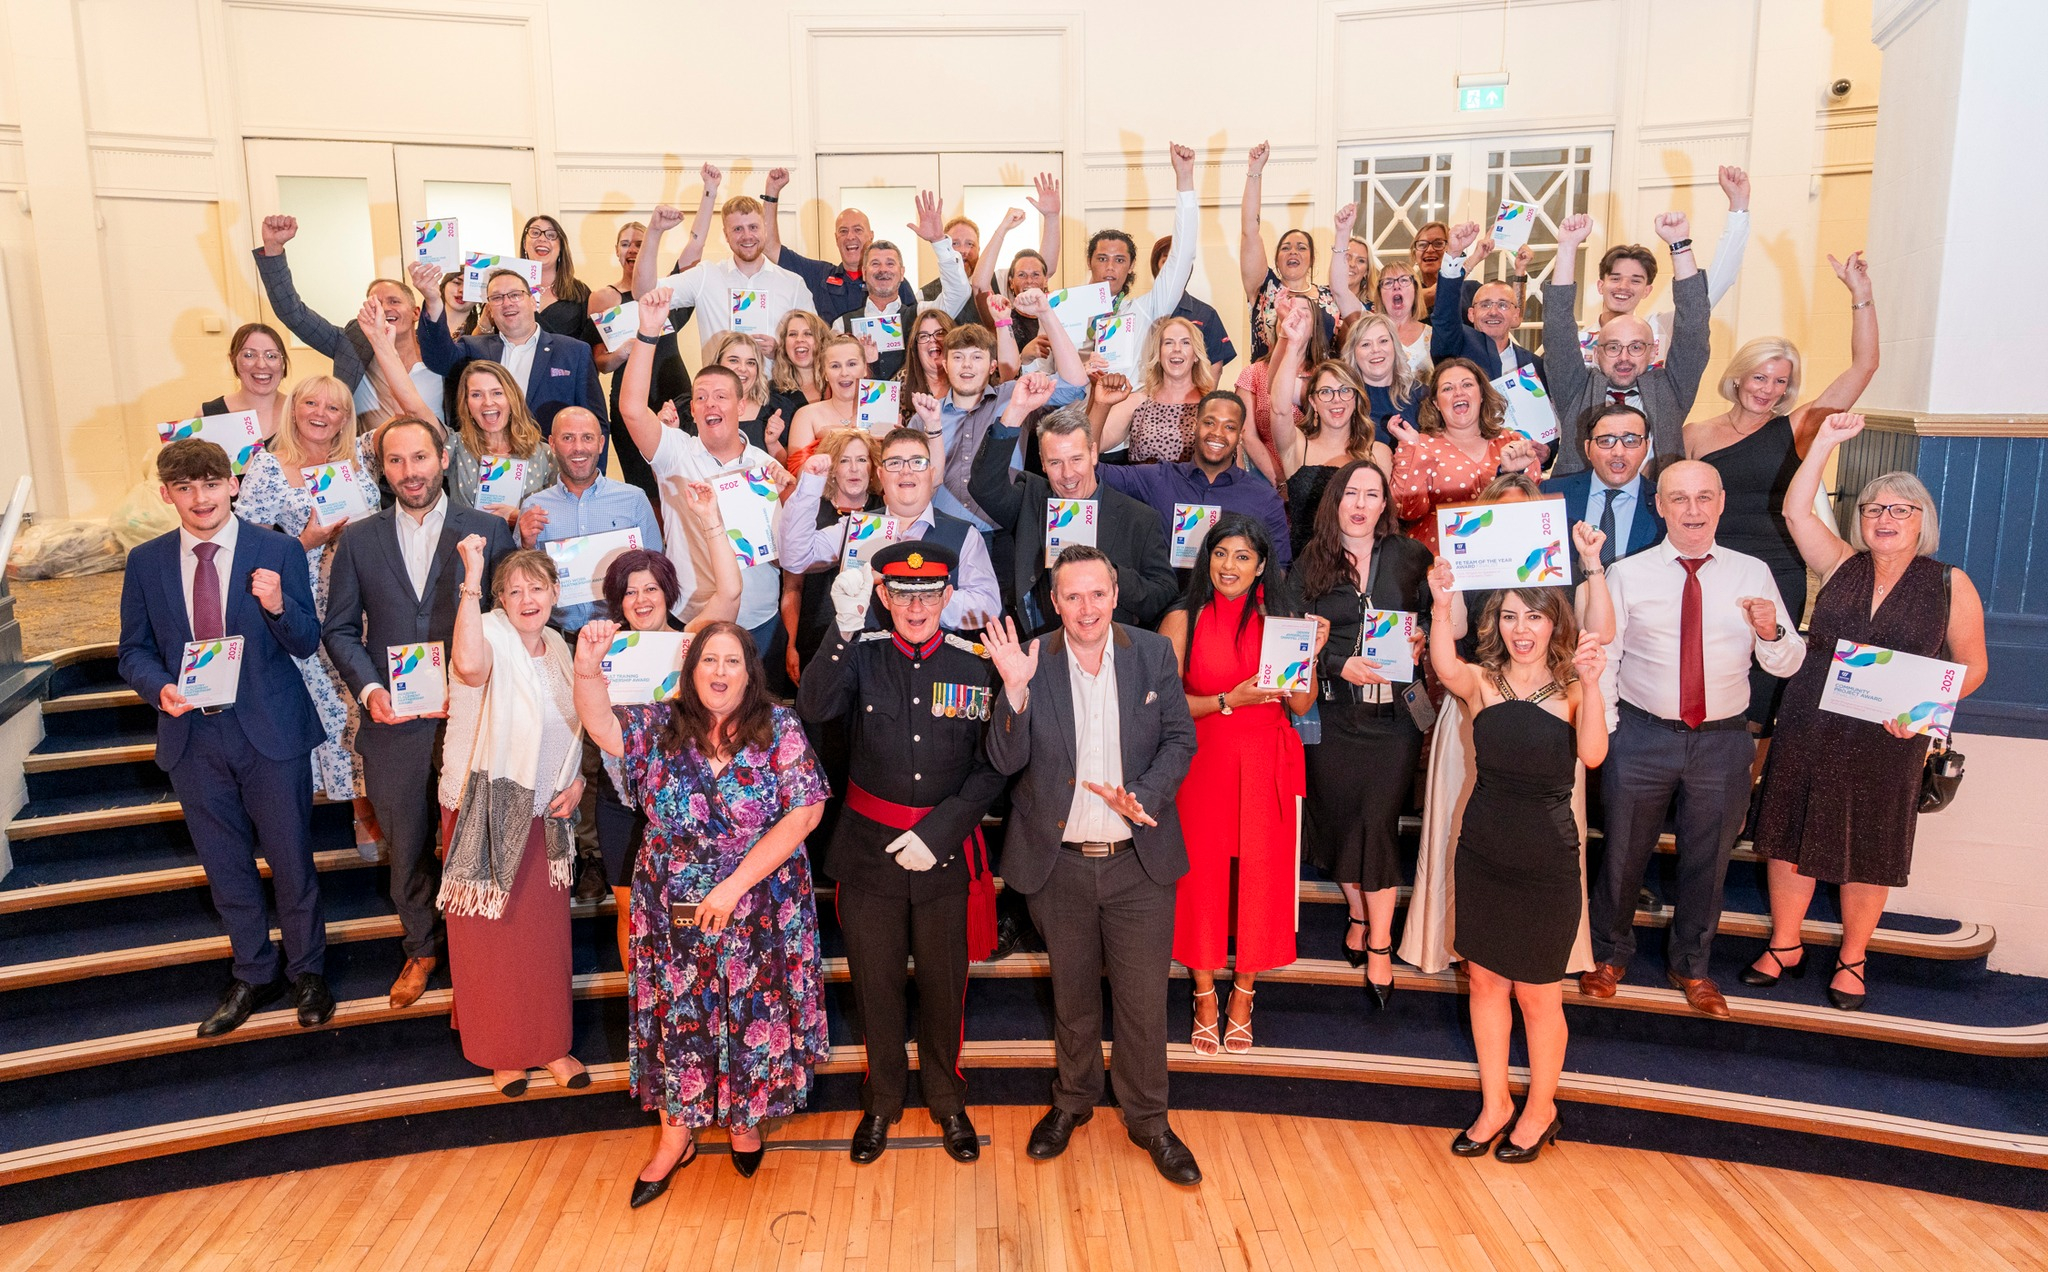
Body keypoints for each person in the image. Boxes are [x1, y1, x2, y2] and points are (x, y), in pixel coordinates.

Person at [572, 619, 830, 1199]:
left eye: (732, 661)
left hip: (759, 902)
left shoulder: (779, 727)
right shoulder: (662, 724)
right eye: (709, 660)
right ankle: (675, 1136)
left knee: (750, 1010)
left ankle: (744, 1122)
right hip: (671, 905)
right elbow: (603, 727)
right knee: (680, 1015)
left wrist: (734, 885)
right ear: (691, 671)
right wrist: (588, 667)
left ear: (749, 671)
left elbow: (805, 814)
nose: (719, 671)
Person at [1743, 414, 1988, 1010]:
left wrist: (1925, 711)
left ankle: (1853, 958)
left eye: (1900, 509)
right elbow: (1798, 510)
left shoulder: (1951, 584)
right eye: (1874, 508)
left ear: (1923, 521)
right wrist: (1824, 442)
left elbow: (1973, 666)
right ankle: (1784, 944)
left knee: (1870, 848)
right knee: (1788, 836)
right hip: (1810, 722)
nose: (1885, 518)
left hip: (1890, 737)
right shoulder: (1840, 563)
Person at [981, 547, 1202, 1186]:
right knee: (1073, 996)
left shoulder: (1152, 655)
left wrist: (1148, 794)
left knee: (1141, 1001)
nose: (1086, 609)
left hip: (1139, 864)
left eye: (1097, 594)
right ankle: (1073, 1100)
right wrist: (1014, 693)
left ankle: (1149, 1119)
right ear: (1055, 601)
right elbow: (1002, 761)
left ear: (1115, 594)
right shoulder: (1031, 661)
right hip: (1061, 866)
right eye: (1072, 596)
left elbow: (1179, 739)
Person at [796, 540, 1005, 1164]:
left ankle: (947, 1100)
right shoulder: (859, 655)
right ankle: (882, 1101)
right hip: (868, 855)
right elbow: (813, 706)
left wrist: (939, 834)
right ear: (883, 598)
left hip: (943, 855)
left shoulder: (976, 666)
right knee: (876, 986)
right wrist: (842, 626)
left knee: (945, 988)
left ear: (949, 597)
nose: (916, 607)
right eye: (903, 595)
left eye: (929, 594)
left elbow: (993, 769)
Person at [118, 439, 331, 1037]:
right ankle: (254, 970)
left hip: (269, 730)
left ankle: (308, 970)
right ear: (166, 495)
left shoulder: (278, 550)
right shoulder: (147, 561)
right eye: (184, 488)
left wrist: (277, 603)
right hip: (193, 734)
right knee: (225, 864)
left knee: (291, 857)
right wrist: (158, 686)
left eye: (211, 484)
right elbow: (132, 649)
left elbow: (306, 640)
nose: (200, 497)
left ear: (233, 486)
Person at [1581, 460, 1807, 1018]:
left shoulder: (1752, 572)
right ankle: (1609, 955)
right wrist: (1607, 731)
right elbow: (1606, 656)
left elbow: (1787, 663)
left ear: (1722, 502)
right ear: (1659, 506)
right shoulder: (1627, 573)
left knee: (1709, 861)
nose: (1693, 510)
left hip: (1724, 741)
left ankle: (1692, 966)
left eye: (1704, 497)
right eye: (1679, 499)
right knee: (1623, 853)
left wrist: (1771, 632)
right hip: (1640, 734)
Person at [324, 415, 517, 1009]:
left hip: (473, 714)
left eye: (420, 458)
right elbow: (338, 630)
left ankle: (480, 950)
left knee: (477, 838)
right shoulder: (358, 538)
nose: (410, 472)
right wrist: (369, 689)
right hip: (395, 721)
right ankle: (421, 949)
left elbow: (511, 620)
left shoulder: (486, 528)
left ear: (442, 458)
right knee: (406, 841)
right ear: (383, 470)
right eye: (396, 461)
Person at [1427, 564, 1609, 1163]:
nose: (1520, 628)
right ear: (1495, 621)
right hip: (1483, 851)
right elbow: (1444, 665)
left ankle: (1540, 1109)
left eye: (1533, 615)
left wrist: (1594, 682)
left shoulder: (1573, 688)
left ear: (1553, 620)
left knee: (1538, 995)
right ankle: (1495, 1103)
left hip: (1546, 859)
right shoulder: (1482, 681)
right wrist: (1440, 600)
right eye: (1509, 616)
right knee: (1483, 980)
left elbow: (1593, 754)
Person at [1687, 250, 1880, 740]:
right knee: (1705, 674)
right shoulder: (1694, 434)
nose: (1768, 390)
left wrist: (1862, 296)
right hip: (1711, 567)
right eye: (1760, 377)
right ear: (1739, 376)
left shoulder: (1796, 428)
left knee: (1762, 691)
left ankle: (1749, 799)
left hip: (1779, 570)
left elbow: (1865, 365)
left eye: (1780, 381)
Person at [1158, 515, 1316, 1055]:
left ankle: (1244, 994)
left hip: (1266, 756)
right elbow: (1166, 705)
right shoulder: (1184, 618)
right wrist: (1230, 701)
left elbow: (1298, 703)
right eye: (1221, 553)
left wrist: (1308, 653)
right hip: (1202, 759)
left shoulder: (1282, 621)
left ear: (1262, 566)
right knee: (1199, 877)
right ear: (1207, 559)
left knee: (1262, 877)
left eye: (1242, 557)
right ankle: (1204, 994)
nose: (1230, 566)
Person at [438, 541, 588, 1098]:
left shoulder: (556, 644)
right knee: (491, 938)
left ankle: (550, 1042)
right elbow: (470, 669)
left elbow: (576, 727)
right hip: (484, 807)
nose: (528, 599)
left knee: (543, 940)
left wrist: (577, 782)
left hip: (544, 813)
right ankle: (502, 1049)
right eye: (515, 590)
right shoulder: (485, 631)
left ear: (554, 593)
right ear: (499, 599)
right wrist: (471, 577)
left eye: (538, 588)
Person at [1294, 459, 1432, 997]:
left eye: (1371, 494)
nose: (1359, 504)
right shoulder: (1311, 561)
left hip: (1395, 721)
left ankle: (1380, 944)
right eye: (1350, 493)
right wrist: (1334, 662)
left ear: (1384, 505)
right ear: (1335, 501)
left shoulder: (1411, 556)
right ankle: (1356, 914)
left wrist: (1423, 636)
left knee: (1377, 824)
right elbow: (1286, 638)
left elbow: (1434, 622)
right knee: (1340, 824)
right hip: (1332, 716)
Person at [232, 375, 385, 859]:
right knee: (336, 706)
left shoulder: (360, 461)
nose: (321, 414)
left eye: (334, 407)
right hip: (306, 603)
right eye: (311, 403)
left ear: (346, 416)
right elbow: (245, 551)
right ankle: (357, 811)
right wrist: (304, 544)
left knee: (369, 699)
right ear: (293, 409)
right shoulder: (267, 467)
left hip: (365, 595)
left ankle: (379, 805)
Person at [590, 530, 742, 970]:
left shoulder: (691, 642)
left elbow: (730, 591)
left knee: (689, 908)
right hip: (621, 800)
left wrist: (710, 521)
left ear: (668, 593)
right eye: (630, 591)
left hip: (685, 805)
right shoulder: (603, 649)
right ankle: (641, 1012)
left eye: (651, 588)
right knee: (628, 910)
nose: (641, 599)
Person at [617, 291, 786, 642]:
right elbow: (632, 408)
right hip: (690, 616)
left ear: (742, 407)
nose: (711, 403)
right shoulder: (675, 452)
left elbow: (789, 551)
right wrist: (648, 333)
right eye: (701, 397)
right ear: (692, 410)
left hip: (760, 619)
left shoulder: (766, 466)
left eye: (722, 396)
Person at [971, 393, 1178, 636]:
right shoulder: (1030, 498)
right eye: (1056, 462)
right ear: (1042, 462)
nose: (1068, 474)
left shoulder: (1139, 518)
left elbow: (1162, 595)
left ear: (1093, 453)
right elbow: (984, 485)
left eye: (1076, 459)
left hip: (1107, 651)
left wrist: (1112, 574)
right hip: (1040, 644)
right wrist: (1015, 411)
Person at [782, 425, 1003, 630]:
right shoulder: (857, 527)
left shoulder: (964, 535)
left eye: (917, 462)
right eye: (895, 463)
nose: (906, 471)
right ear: (880, 474)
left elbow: (988, 605)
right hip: (866, 660)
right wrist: (810, 485)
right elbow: (795, 557)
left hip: (938, 663)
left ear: (931, 473)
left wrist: (919, 594)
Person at [1543, 212, 1710, 471]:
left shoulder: (1670, 390)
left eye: (1635, 347)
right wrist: (1567, 246)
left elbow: (1693, 327)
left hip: (1652, 504)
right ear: (1596, 353)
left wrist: (1679, 245)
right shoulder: (1577, 389)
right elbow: (1557, 327)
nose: (1624, 357)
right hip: (1581, 504)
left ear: (1652, 351)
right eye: (1613, 347)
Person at [254, 215, 444, 427]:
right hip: (364, 455)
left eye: (394, 301)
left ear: (416, 312)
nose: (384, 309)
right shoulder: (351, 344)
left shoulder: (439, 352)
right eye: (376, 303)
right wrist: (273, 249)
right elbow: (292, 312)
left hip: (433, 455)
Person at [1092, 389, 1292, 575]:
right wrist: (1101, 405)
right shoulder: (1158, 478)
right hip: (1165, 602)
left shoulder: (1264, 499)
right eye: (1209, 422)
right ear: (1194, 426)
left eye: (1229, 426)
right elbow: (1090, 468)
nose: (1218, 433)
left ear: (1240, 435)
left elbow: (1279, 569)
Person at [1576, 166, 1753, 363]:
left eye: (1635, 281)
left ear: (1647, 290)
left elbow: (1718, 282)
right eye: (1616, 278)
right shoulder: (1579, 343)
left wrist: (1738, 207)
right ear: (1601, 285)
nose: (1623, 287)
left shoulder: (1661, 329)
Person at [412, 264, 608, 439]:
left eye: (515, 295)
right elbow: (438, 359)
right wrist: (432, 300)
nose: (507, 303)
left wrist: (589, 476)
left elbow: (596, 422)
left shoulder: (574, 352)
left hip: (552, 468)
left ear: (533, 302)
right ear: (489, 308)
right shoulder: (473, 349)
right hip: (489, 465)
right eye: (497, 298)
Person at [515, 406, 663, 628]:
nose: (578, 448)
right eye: (568, 438)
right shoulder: (534, 507)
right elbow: (521, 585)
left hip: (622, 636)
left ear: (601, 444)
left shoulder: (633, 500)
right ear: (552, 444)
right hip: (560, 638)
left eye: (587, 438)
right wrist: (526, 544)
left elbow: (657, 572)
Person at [637, 190, 818, 358]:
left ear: (765, 228)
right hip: (719, 391)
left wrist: (780, 352)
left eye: (753, 227)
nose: (747, 236)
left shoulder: (793, 284)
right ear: (726, 234)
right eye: (738, 229)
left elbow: (816, 346)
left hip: (777, 391)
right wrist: (654, 231)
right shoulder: (706, 276)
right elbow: (644, 293)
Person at [1389, 359, 1542, 553]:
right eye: (1447, 389)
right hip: (1438, 562)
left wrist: (1512, 475)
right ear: (1436, 403)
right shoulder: (1420, 444)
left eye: (1467, 385)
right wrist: (1412, 449)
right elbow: (1407, 510)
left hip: (1505, 556)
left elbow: (1531, 511)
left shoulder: (1513, 441)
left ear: (1481, 395)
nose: (1459, 392)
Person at [830, 192, 971, 381]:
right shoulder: (842, 325)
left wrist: (938, 241)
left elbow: (959, 293)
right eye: (875, 264)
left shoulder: (921, 316)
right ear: (864, 272)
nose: (883, 270)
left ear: (902, 272)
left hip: (916, 408)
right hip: (860, 409)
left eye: (890, 263)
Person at [777, 427, 882, 681]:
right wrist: (790, 644)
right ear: (832, 469)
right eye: (844, 460)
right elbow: (792, 586)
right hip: (816, 633)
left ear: (873, 467)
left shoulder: (885, 511)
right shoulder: (810, 509)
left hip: (871, 634)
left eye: (861, 459)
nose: (854, 469)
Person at [1078, 144, 1199, 361]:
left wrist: (1185, 180)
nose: (1110, 267)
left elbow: (1182, 256)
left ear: (1131, 265)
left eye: (1120, 260)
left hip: (1130, 395)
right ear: (1089, 261)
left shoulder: (1145, 310)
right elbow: (1045, 369)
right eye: (1102, 258)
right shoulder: (1066, 310)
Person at [760, 171, 917, 323]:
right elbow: (769, 247)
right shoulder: (819, 275)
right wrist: (771, 192)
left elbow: (913, 327)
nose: (850, 237)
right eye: (843, 231)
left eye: (858, 230)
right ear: (836, 239)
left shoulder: (891, 280)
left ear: (871, 236)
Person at [1239, 142, 1341, 363]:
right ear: (1276, 259)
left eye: (1301, 248)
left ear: (1312, 259)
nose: (1293, 252)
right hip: (1267, 385)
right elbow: (1249, 231)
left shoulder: (1330, 296)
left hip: (1319, 389)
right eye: (1286, 248)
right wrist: (1255, 171)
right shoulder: (1265, 289)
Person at [1540, 404, 1667, 571]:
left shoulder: (1666, 501)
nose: (1618, 452)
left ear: (1646, 447)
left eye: (1631, 441)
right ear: (1587, 449)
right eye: (1606, 441)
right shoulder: (1550, 492)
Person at [441, 361, 560, 524]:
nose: (488, 402)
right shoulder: (456, 446)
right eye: (476, 394)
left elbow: (558, 517)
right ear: (466, 403)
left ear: (512, 398)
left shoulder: (543, 453)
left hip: (525, 548)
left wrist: (518, 517)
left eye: (497, 393)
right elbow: (415, 408)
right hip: (468, 547)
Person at [1428, 222, 1542, 383]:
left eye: (1503, 305)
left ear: (1515, 314)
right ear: (1471, 314)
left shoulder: (1535, 365)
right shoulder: (1456, 345)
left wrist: (1520, 271)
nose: (1493, 312)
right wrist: (1454, 254)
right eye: (1485, 305)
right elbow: (1444, 316)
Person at [1092, 316, 1215, 464]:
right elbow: (1090, 446)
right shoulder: (1138, 402)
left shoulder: (1213, 406)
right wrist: (1101, 404)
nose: (1176, 349)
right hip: (1142, 486)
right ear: (1158, 354)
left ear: (1196, 355)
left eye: (1185, 342)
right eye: (1169, 343)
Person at [519, 214, 607, 359]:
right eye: (535, 233)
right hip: (515, 376)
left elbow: (591, 348)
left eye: (551, 235)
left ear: (561, 247)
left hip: (565, 375)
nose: (542, 238)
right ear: (524, 243)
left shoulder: (580, 292)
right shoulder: (507, 289)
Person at [1146, 236, 1238, 371]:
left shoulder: (1206, 314)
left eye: (1179, 263)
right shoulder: (1140, 310)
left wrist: (1206, 393)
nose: (1174, 269)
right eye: (1166, 262)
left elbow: (1215, 364)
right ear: (1156, 267)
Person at [700, 331, 786, 458]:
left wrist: (773, 443)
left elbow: (787, 469)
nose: (743, 368)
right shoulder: (691, 408)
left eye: (750, 363)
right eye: (734, 360)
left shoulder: (776, 409)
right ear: (717, 363)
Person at [784, 333, 870, 457]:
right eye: (835, 366)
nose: (844, 373)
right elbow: (798, 471)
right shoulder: (806, 415)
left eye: (851, 364)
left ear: (865, 369)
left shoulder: (884, 411)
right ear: (825, 373)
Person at [201, 322, 287, 439]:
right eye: (249, 355)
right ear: (233, 360)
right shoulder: (208, 415)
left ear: (283, 362)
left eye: (271, 356)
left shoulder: (301, 413)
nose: (261, 365)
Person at [1372, 261, 1433, 378]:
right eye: (1388, 282)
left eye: (1404, 280)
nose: (1396, 286)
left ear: (1415, 289)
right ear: (1380, 294)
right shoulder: (1369, 335)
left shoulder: (1433, 335)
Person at [769, 309, 830, 421]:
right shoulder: (771, 393)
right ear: (784, 344)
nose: (799, 339)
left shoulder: (838, 385)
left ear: (822, 341)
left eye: (808, 334)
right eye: (793, 334)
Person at [923, 216, 983, 322]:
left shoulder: (998, 286)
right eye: (955, 243)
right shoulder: (924, 295)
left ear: (979, 249)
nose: (962, 250)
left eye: (970, 244)